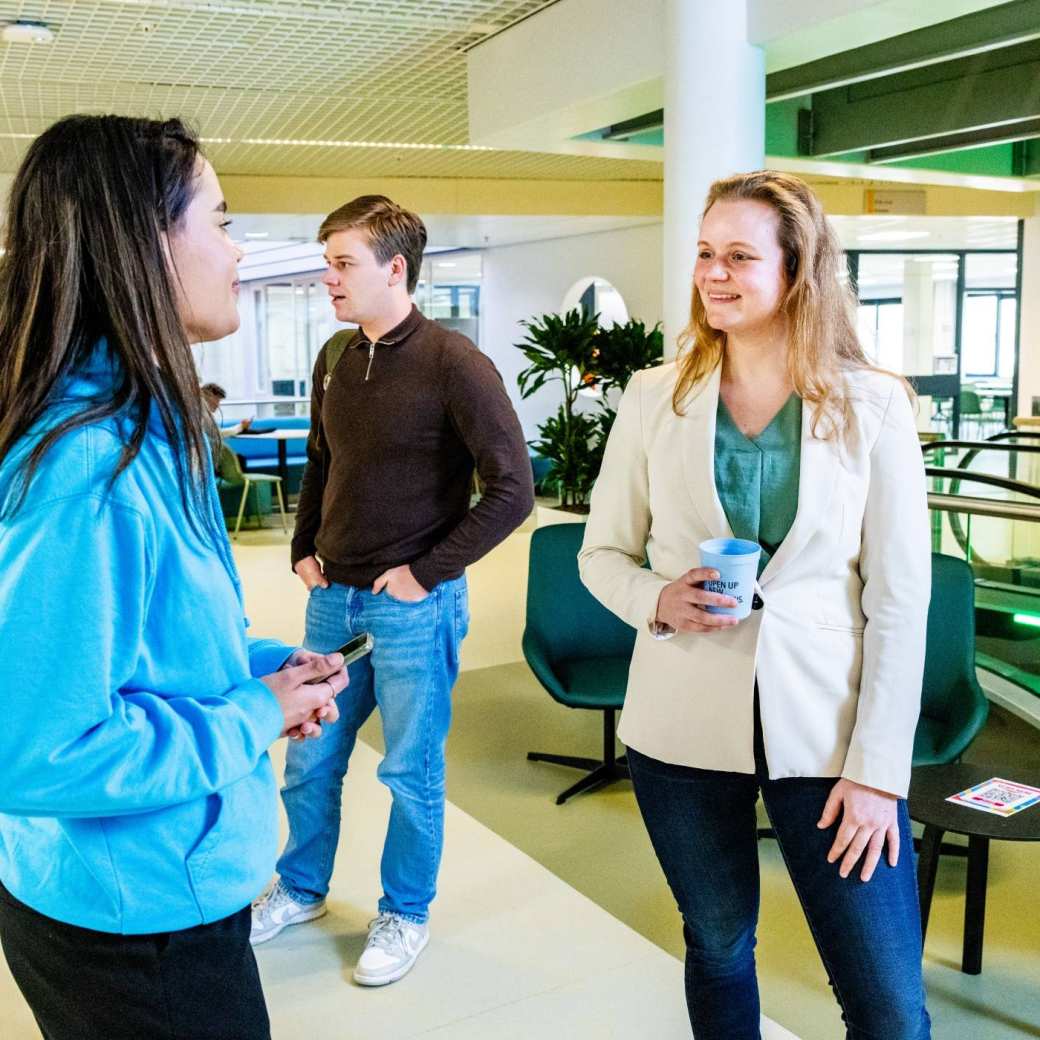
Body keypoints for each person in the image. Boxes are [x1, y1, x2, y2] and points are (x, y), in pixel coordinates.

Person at [0, 114, 347, 1040]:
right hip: (135, 922)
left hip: (161, 886)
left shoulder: (147, 428)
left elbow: (147, 643)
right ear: (147, 241)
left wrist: (264, 672)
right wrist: (251, 715)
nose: (237, 252)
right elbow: (35, 748)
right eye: (222, 220)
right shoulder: (87, 467)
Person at [578, 170, 931, 1039]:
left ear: (798, 270)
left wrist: (879, 769)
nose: (713, 274)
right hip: (681, 728)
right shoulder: (656, 397)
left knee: (888, 1005)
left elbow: (899, 602)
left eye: (739, 255)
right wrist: (657, 597)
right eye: (705, 253)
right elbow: (599, 555)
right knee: (721, 945)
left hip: (832, 738)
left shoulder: (874, 405)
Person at [250, 194, 534, 986]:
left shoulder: (455, 363)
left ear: (395, 269)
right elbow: (321, 460)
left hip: (412, 608)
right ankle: (301, 888)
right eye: (327, 263)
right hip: (330, 599)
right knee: (310, 761)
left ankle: (405, 913)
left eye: (342, 263)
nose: (327, 278)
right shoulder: (336, 357)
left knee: (410, 771)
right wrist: (304, 547)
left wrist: (425, 573)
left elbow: (513, 490)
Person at [200, 381, 253, 468]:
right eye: (217, 400)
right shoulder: (202, 413)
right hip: (205, 455)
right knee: (240, 460)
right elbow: (219, 434)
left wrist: (241, 427)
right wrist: (241, 427)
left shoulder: (205, 413)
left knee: (240, 459)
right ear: (207, 395)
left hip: (208, 453)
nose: (218, 405)